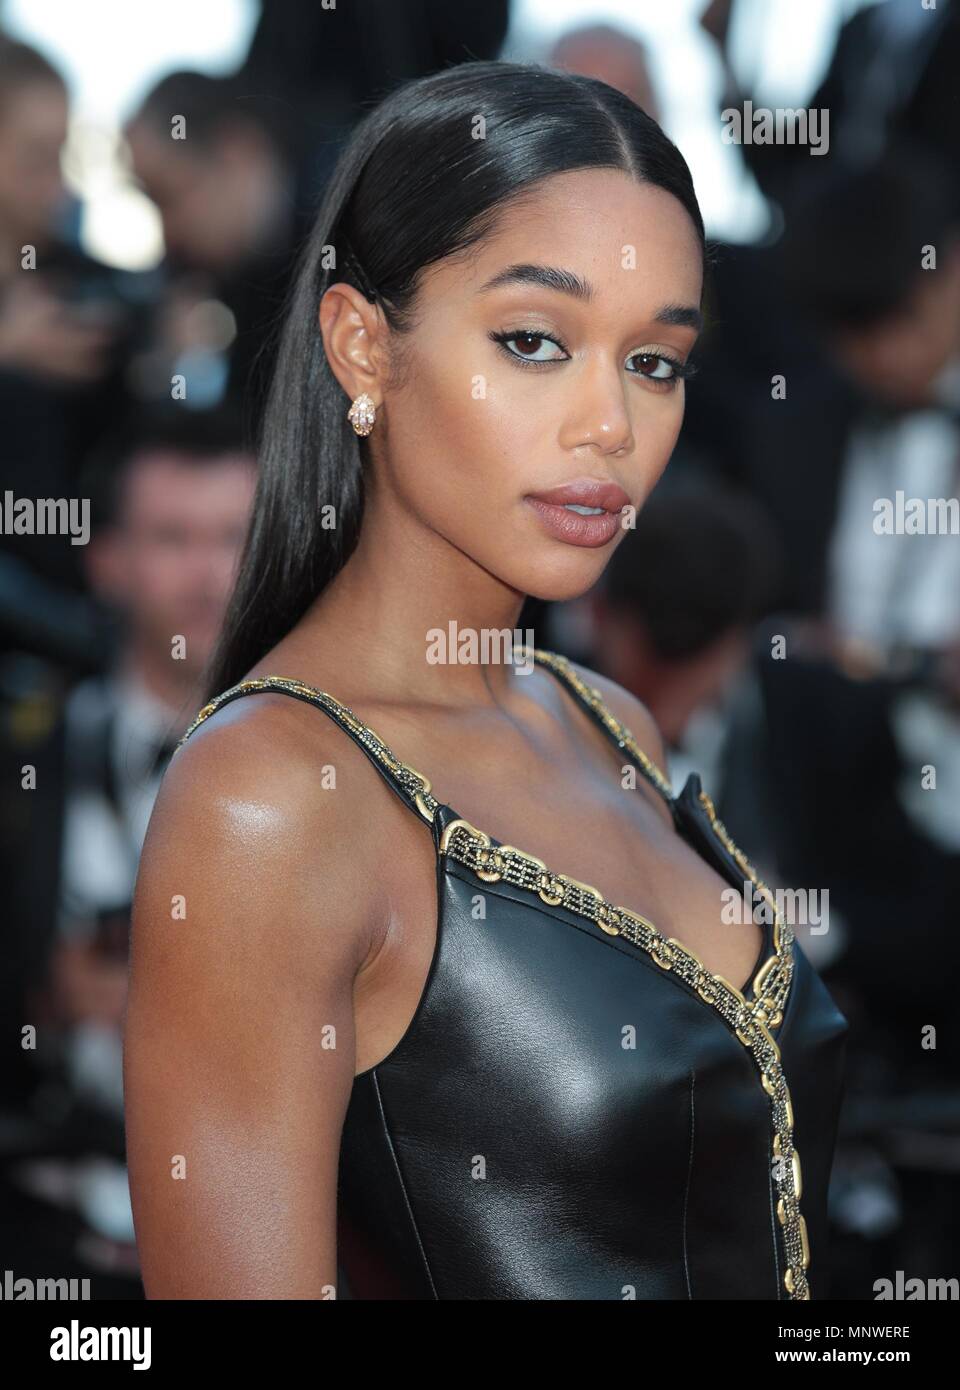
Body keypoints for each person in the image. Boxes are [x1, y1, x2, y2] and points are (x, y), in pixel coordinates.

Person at [124, 61, 848, 1301]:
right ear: (361, 345)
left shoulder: (605, 717)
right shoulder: (272, 799)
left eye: (656, 362)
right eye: (533, 341)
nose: (610, 426)